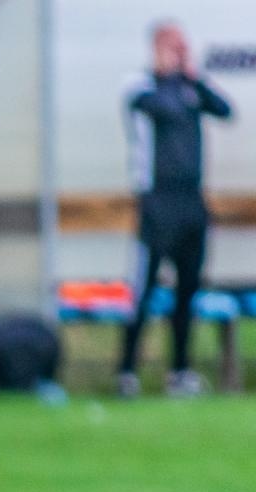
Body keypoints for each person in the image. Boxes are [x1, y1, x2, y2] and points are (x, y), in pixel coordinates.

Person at [117, 21, 233, 399]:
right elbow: (162, 110)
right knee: (145, 288)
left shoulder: (191, 89)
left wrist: (193, 79)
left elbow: (223, 110)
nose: (180, 53)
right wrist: (170, 76)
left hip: (191, 203)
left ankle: (180, 371)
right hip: (157, 203)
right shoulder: (141, 86)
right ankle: (127, 371)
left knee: (188, 290)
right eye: (173, 46)